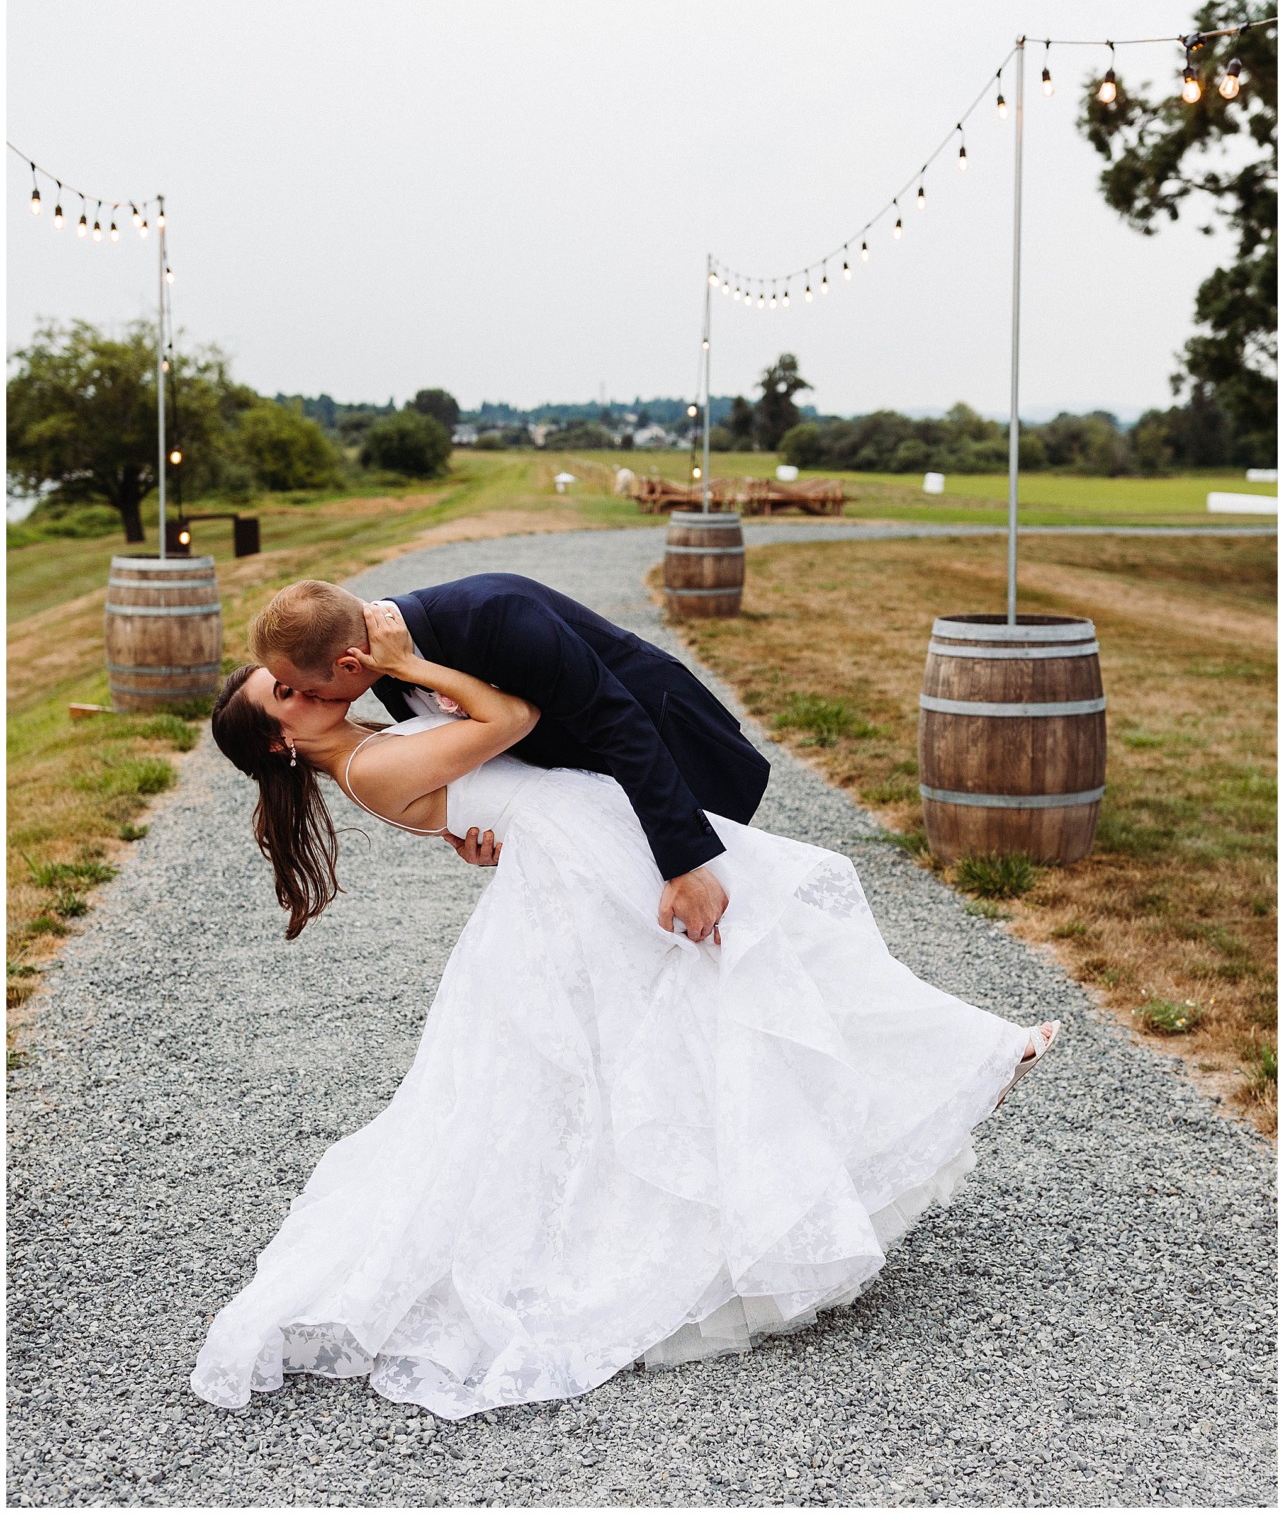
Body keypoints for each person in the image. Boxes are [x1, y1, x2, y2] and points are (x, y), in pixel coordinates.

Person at [193, 602, 1061, 1421]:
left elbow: (485, 769)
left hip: (585, 844)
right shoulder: (370, 762)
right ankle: (945, 1077)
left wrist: (464, 810)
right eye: (286, 695)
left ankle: (953, 1068)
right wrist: (413, 664)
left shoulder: (370, 740)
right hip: (583, 866)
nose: (306, 691)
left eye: (296, 680)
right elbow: (508, 722)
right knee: (735, 987)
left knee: (752, 974)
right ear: (281, 743)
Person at [249, 575, 771, 944]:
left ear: (346, 664)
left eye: (304, 689)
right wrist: (507, 830)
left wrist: (684, 863)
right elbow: (492, 755)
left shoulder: (492, 615)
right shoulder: (386, 672)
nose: (309, 701)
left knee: (734, 929)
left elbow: (617, 723)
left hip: (668, 753)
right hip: (598, 805)